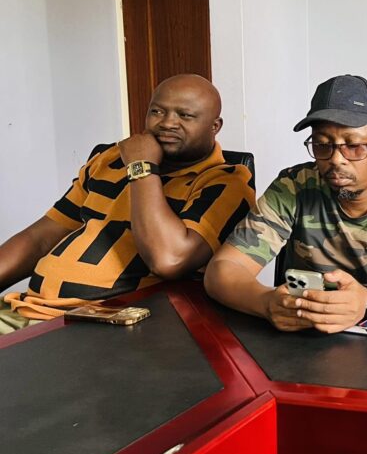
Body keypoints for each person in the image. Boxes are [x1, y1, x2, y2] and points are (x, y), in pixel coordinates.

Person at [204, 74, 367, 332]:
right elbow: (222, 270)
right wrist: (265, 302)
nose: (336, 159)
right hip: (308, 342)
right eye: (323, 145)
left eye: (354, 146)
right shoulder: (294, 186)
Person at [0, 74, 255, 333]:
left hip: (102, 324)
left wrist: (142, 168)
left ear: (215, 126)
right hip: (30, 309)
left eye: (185, 116)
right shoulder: (110, 159)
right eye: (157, 111)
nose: (167, 123)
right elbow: (41, 237)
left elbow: (169, 259)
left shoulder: (226, 181)